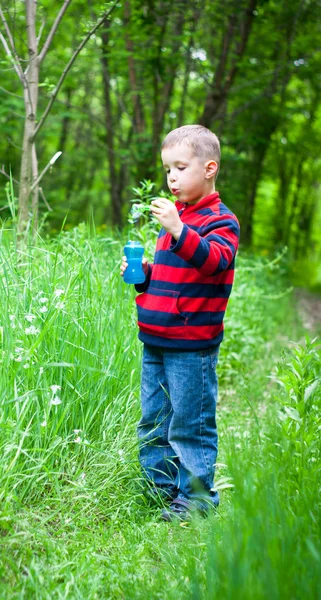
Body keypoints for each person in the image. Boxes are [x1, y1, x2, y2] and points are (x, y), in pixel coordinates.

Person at [120, 124, 240, 522]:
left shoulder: (221, 221)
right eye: (167, 169)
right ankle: (159, 487)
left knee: (190, 422)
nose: (171, 177)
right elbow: (176, 276)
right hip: (156, 337)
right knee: (154, 418)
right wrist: (145, 274)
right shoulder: (176, 221)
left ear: (208, 169)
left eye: (180, 167)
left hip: (192, 343)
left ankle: (196, 497)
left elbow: (211, 261)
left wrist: (177, 228)